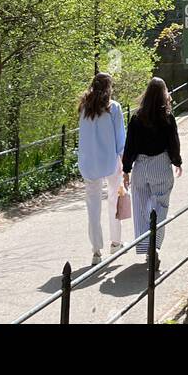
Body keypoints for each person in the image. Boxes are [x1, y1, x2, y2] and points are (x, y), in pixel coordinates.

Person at [122, 78, 182, 269]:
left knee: (140, 208)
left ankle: (147, 245)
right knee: (160, 206)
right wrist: (177, 161)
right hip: (161, 164)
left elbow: (129, 145)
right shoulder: (167, 116)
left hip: (140, 166)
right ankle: (154, 246)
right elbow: (173, 141)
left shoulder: (137, 117)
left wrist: (126, 169)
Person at [77, 72, 127, 263]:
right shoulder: (113, 108)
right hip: (110, 161)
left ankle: (96, 250)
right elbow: (120, 138)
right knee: (114, 200)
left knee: (93, 207)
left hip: (88, 163)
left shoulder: (84, 108)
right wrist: (125, 162)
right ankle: (115, 242)